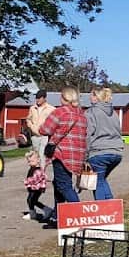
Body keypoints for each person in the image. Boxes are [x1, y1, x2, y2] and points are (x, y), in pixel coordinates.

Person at [40, 86, 88, 220]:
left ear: (64, 97)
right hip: (77, 155)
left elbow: (44, 130)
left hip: (61, 153)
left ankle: (81, 215)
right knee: (59, 184)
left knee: (64, 185)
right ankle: (57, 215)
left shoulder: (60, 112)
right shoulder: (81, 114)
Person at [85, 86, 125, 200]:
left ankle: (102, 210)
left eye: (91, 94)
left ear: (96, 97)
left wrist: (85, 156)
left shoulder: (91, 112)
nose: (89, 97)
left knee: (97, 182)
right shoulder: (114, 113)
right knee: (101, 180)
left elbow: (87, 135)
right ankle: (111, 208)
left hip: (99, 152)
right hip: (116, 152)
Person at [23, 150, 50, 221]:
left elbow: (35, 179)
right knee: (31, 200)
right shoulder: (33, 168)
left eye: (32, 161)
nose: (30, 163)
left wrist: (26, 181)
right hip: (33, 188)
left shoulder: (37, 170)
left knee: (32, 200)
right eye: (28, 161)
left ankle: (46, 210)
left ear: (38, 160)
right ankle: (33, 212)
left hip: (37, 188)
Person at [25, 90, 52, 159]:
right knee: (35, 155)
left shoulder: (51, 109)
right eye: (36, 98)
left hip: (45, 136)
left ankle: (42, 169)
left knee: (42, 154)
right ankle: (37, 169)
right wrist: (31, 126)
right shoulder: (32, 108)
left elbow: (53, 122)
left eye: (39, 98)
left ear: (44, 98)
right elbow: (28, 119)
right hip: (34, 135)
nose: (37, 100)